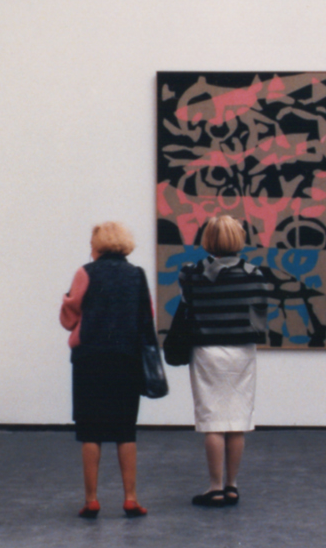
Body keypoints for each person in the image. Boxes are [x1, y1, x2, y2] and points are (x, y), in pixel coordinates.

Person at [59, 221, 159, 518]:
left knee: (90, 430)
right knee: (126, 430)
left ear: (98, 246)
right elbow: (147, 318)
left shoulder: (85, 273)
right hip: (127, 359)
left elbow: (68, 317)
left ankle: (91, 500)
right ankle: (130, 498)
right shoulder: (137, 275)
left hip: (90, 358)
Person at [178, 215, 273, 507]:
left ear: (208, 239)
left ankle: (215, 486)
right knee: (237, 420)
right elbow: (259, 319)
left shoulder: (191, 273)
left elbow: (187, 309)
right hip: (242, 352)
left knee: (213, 421)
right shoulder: (255, 274)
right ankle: (232, 485)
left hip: (206, 351)